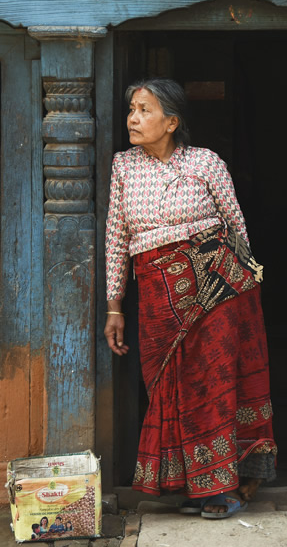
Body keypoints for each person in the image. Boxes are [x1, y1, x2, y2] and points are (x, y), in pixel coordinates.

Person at [104, 78, 277, 520]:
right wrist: (114, 305)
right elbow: (116, 239)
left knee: (213, 384)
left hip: (215, 291)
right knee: (169, 387)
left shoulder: (205, 163)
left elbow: (236, 229)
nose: (133, 119)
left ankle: (217, 491)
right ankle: (185, 485)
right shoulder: (123, 167)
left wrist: (244, 294)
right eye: (131, 110)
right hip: (157, 296)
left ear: (171, 122)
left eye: (144, 110)